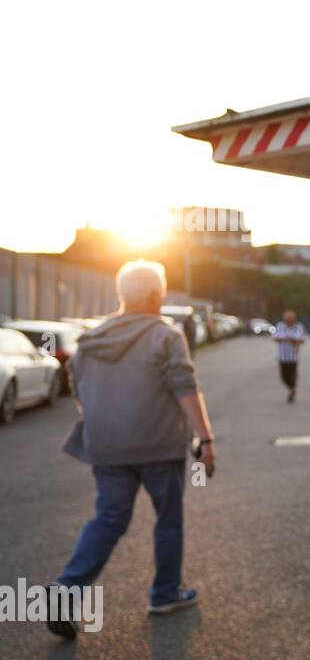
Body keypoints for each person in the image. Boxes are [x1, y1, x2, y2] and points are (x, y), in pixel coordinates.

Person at [48, 259, 216, 637]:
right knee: (168, 519)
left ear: (121, 295)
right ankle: (164, 593)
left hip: (107, 447)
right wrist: (205, 440)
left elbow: (80, 394)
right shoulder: (166, 336)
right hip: (159, 445)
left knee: (108, 520)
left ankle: (66, 589)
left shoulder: (91, 340)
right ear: (157, 295)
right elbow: (185, 388)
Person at [272, 310, 306, 402]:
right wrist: (282, 339)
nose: (289, 321)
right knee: (283, 376)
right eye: (287, 319)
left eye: (290, 319)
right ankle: (292, 389)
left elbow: (303, 340)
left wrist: (293, 340)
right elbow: (274, 338)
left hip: (293, 356)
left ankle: (292, 390)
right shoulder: (280, 326)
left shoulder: (298, 327)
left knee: (292, 375)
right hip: (282, 356)